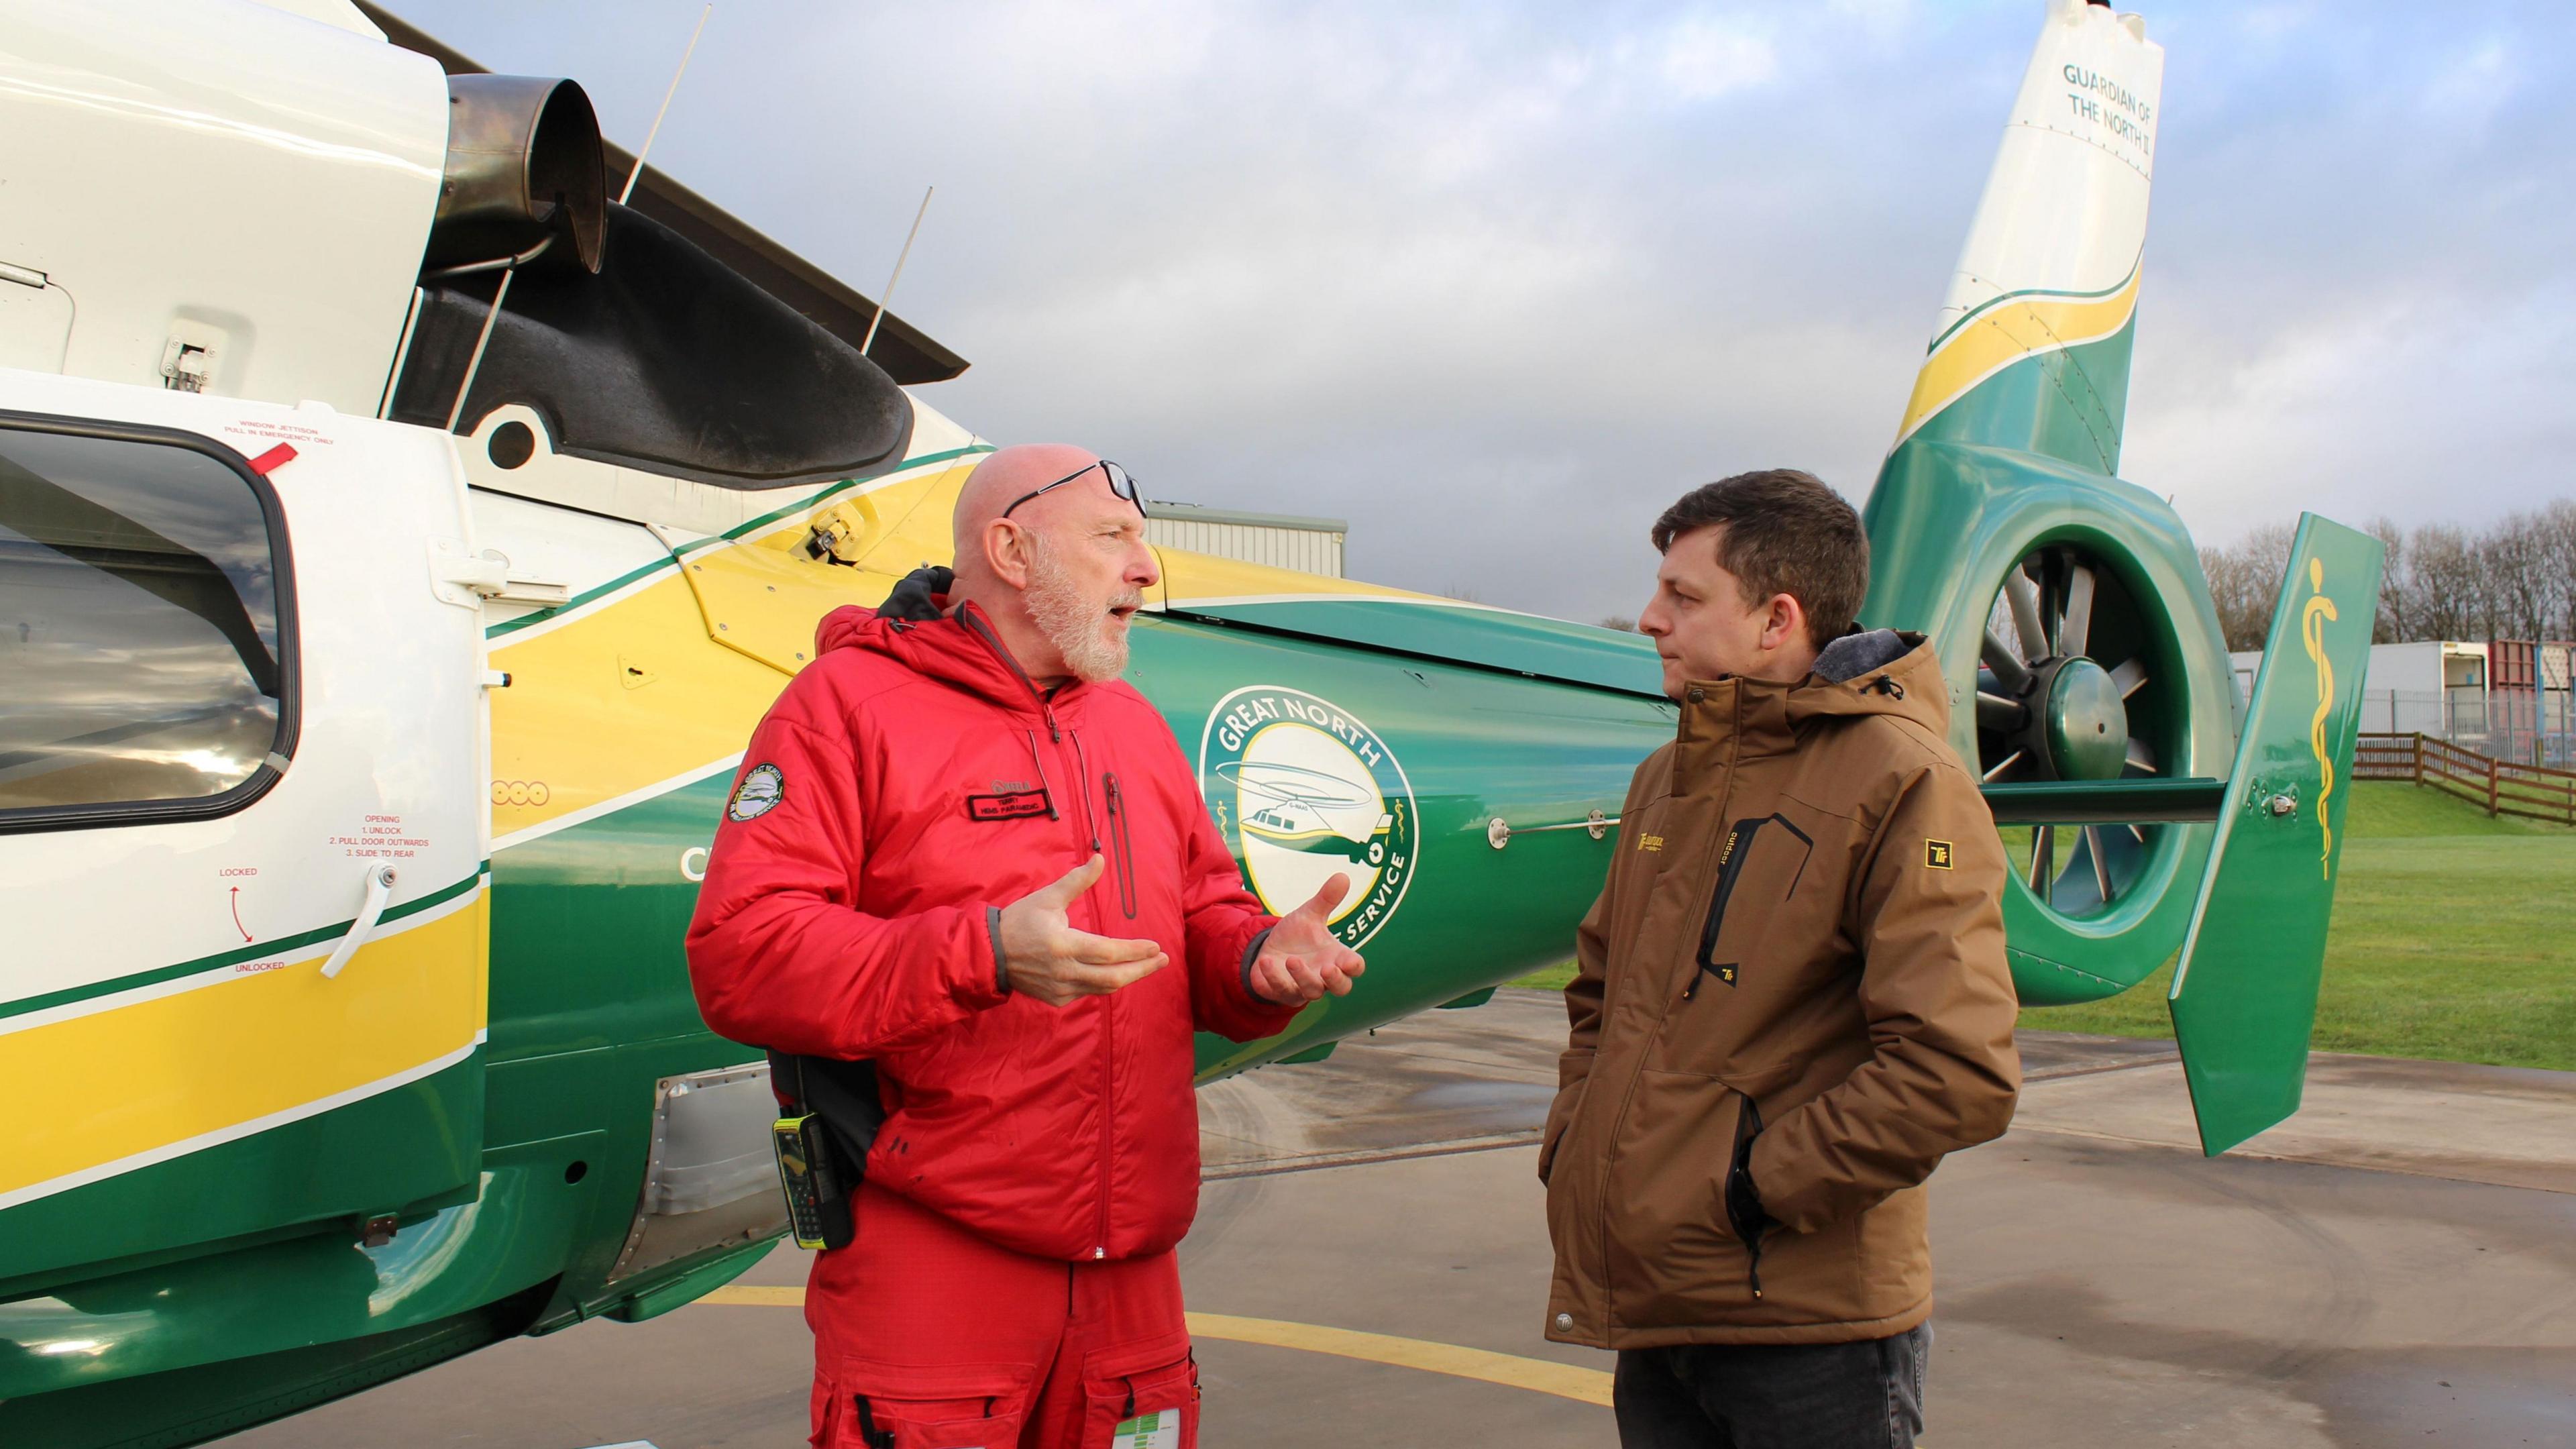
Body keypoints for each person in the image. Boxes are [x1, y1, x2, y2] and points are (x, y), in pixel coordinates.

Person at [686, 444, 1364, 1448]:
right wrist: (984, 952)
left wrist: (1259, 962)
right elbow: (743, 955)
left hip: (1134, 1269)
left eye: (1143, 542)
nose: (1146, 568)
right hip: (937, 1254)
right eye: (1115, 537)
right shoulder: (843, 708)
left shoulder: (1132, 724)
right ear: (1009, 549)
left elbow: (1204, 914)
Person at [1539, 469, 2020, 1448]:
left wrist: (1748, 1190)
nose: (1648, 619)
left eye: (1684, 596)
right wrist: (1579, 1150)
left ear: (1777, 619)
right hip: (1663, 1314)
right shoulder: (1666, 779)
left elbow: (1955, 1071)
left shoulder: (1904, 778)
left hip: (1812, 1340)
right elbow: (1601, 997)